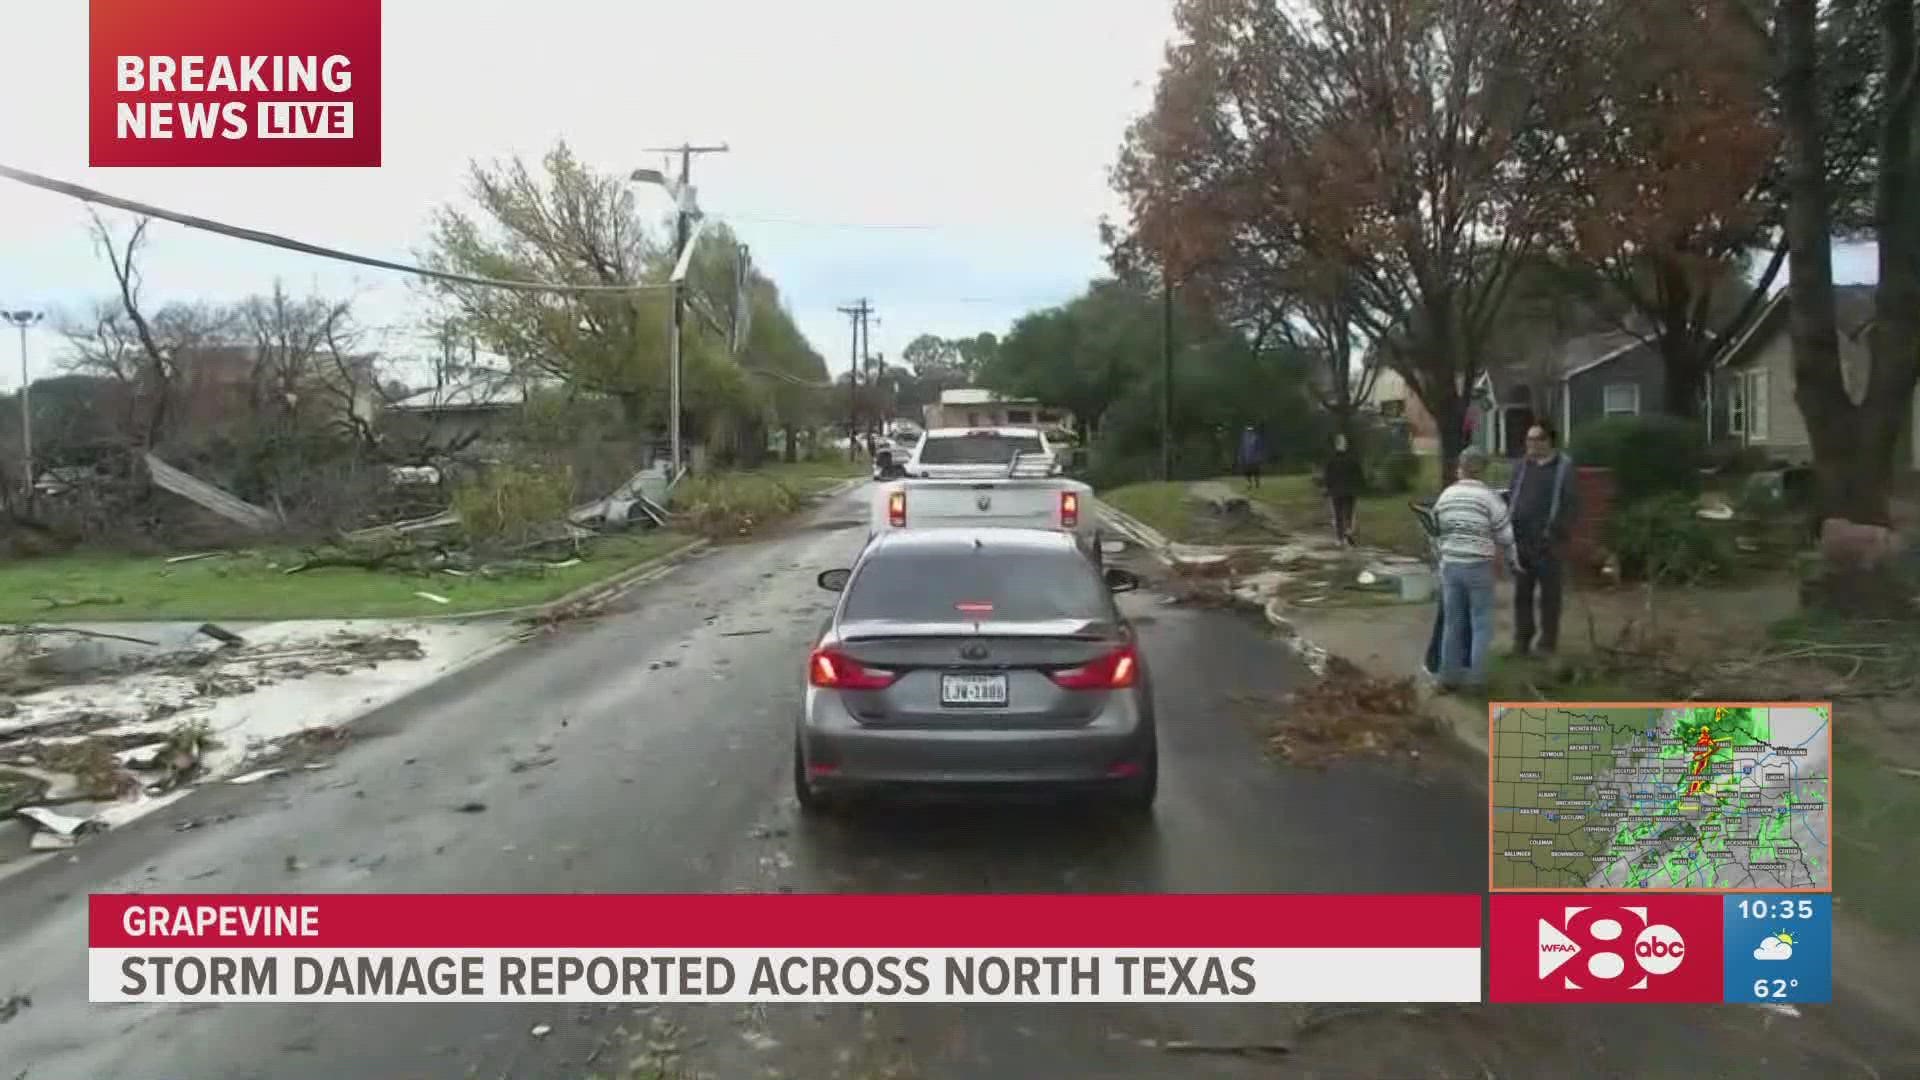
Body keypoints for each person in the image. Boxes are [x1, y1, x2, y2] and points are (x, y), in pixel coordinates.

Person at [1432, 447, 1518, 691]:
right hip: (1478, 567)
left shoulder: (1446, 495)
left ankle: (1448, 677)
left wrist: (1442, 554)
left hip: (1451, 566)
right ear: (1482, 470)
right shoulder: (1490, 498)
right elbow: (1505, 535)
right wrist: (1514, 561)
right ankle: (1476, 679)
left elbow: (1436, 529)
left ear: (1461, 467)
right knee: (1481, 622)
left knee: (1452, 622)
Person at [1506, 423, 1579, 656]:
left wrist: (1558, 533)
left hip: (1548, 542)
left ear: (1549, 441)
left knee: (1550, 596)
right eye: (1529, 439)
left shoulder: (1563, 469)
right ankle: (1522, 641)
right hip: (1521, 541)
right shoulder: (1521, 467)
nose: (1532, 444)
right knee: (1522, 595)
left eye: (1537, 439)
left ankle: (1547, 644)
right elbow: (1512, 497)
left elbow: (1571, 505)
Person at [1323, 434, 1363, 546]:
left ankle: (1340, 538)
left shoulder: (1331, 460)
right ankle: (1349, 529)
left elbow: (1327, 476)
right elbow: (1358, 475)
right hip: (1350, 491)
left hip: (1336, 492)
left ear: (1336, 446)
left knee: (1338, 515)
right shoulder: (1352, 459)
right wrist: (1358, 487)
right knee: (1349, 513)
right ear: (1346, 446)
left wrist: (1327, 488)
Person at [1237, 425, 1266, 489]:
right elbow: (1241, 447)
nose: (1249, 431)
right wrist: (1240, 456)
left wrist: (1259, 456)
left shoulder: (1256, 437)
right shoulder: (1244, 438)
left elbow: (1259, 447)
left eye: (1250, 430)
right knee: (1247, 472)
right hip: (1247, 458)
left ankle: (1257, 482)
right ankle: (1249, 484)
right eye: (1248, 430)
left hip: (1255, 458)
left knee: (1256, 471)